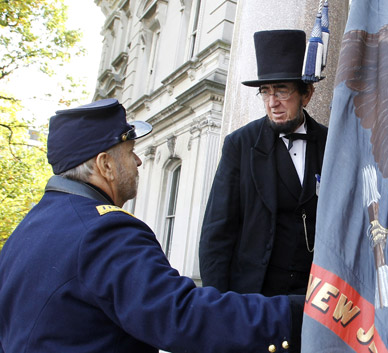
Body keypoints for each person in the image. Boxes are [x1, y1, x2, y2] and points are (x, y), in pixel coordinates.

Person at [0, 98, 302, 353]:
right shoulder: (104, 232)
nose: (138, 162)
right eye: (130, 152)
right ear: (106, 164)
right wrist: (293, 315)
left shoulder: (28, 229)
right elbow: (179, 314)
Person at [198, 29, 328, 297]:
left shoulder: (331, 143)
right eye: (265, 92)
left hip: (316, 296)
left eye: (281, 90)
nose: (273, 103)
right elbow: (216, 232)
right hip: (254, 298)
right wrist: (218, 305)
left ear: (307, 94)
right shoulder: (240, 145)